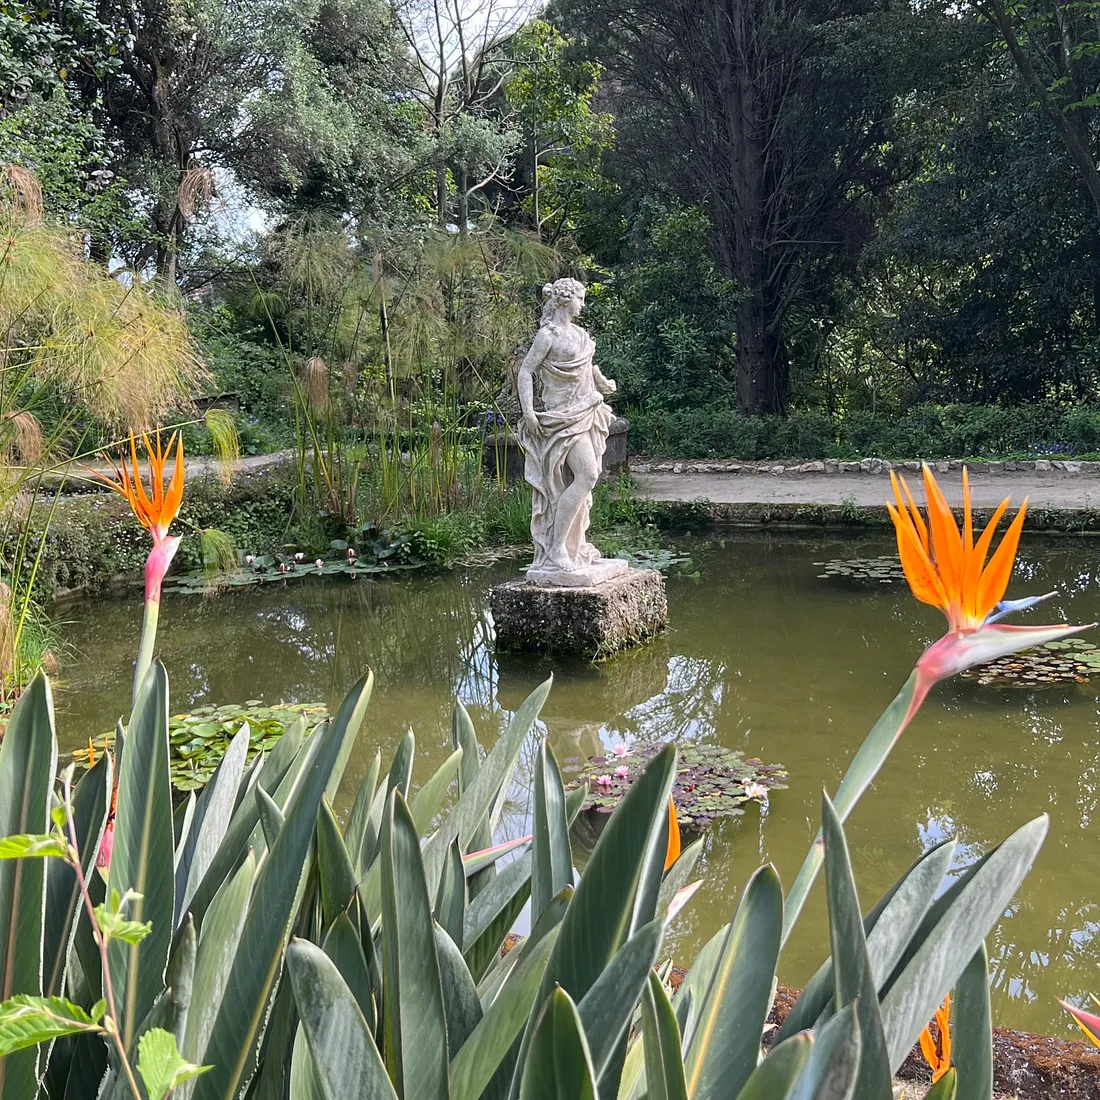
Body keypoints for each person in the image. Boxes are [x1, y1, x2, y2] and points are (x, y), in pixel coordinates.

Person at [516, 278, 626, 582]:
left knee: (583, 480)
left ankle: (570, 545)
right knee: (587, 475)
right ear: (566, 300)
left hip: (584, 412)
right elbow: (526, 371)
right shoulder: (547, 336)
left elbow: (586, 367)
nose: (583, 304)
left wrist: (602, 382)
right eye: (580, 298)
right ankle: (556, 548)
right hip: (560, 418)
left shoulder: (580, 334)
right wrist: (528, 413)